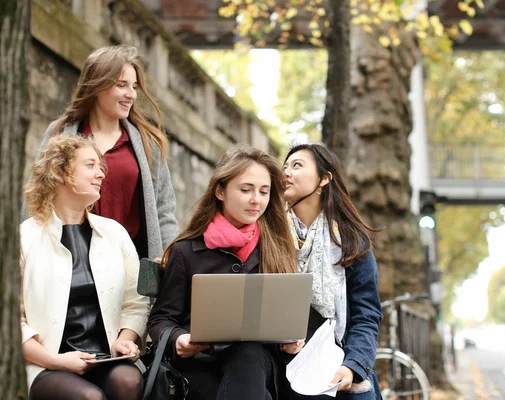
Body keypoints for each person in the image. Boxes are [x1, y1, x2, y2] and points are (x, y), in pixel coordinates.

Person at [147, 145, 299, 399]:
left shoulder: (277, 249)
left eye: (264, 191)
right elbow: (160, 319)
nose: (256, 200)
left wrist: (291, 341)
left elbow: (287, 321)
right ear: (220, 191)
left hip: (259, 364)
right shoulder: (186, 251)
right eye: (246, 190)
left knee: (248, 353)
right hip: (200, 365)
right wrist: (178, 339)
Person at [20, 135, 151, 399]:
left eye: (100, 166)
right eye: (90, 165)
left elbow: (135, 302)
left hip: (107, 358)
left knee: (128, 382)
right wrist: (56, 361)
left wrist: (125, 340)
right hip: (47, 364)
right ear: (60, 172)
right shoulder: (25, 237)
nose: (101, 173)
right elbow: (13, 320)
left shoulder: (115, 233)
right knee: (89, 397)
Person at [36, 44, 177, 260]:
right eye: (122, 85)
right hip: (70, 263)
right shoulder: (59, 132)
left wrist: (168, 255)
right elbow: (38, 195)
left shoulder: (149, 144)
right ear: (97, 86)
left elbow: (164, 210)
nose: (131, 95)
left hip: (130, 266)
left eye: (134, 87)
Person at [281, 143, 384, 399]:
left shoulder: (350, 241)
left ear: (324, 179)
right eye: (284, 166)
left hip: (338, 357)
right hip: (285, 362)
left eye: (297, 165)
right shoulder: (270, 235)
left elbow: (366, 313)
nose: (286, 172)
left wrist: (352, 366)